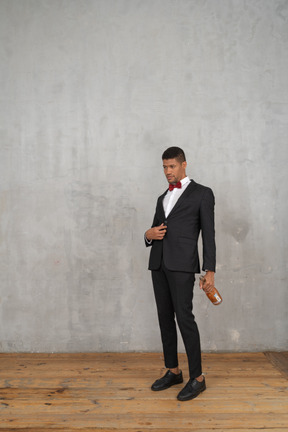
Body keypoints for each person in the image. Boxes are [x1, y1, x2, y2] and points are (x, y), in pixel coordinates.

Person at [144, 146, 216, 401]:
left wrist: (210, 270)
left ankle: (198, 378)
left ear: (184, 164)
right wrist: (147, 235)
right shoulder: (161, 197)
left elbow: (208, 234)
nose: (167, 172)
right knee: (165, 318)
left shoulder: (202, 194)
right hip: (159, 264)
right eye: (164, 167)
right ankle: (173, 370)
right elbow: (154, 229)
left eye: (172, 166)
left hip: (183, 266)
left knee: (184, 318)